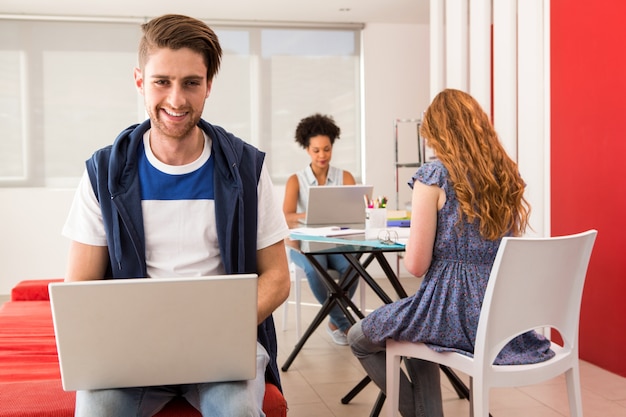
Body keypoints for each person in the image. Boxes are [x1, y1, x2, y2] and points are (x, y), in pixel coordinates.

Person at [61, 14, 290, 417]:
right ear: (139, 81)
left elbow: (277, 278)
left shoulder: (247, 168)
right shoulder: (103, 173)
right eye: (161, 82)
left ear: (208, 86)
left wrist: (215, 326)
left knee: (236, 410)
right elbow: (80, 287)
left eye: (191, 83)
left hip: (223, 345)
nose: (176, 100)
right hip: (131, 351)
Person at [347, 89, 555, 417]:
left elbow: (416, 265)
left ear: (440, 134)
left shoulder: (435, 176)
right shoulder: (505, 176)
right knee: (415, 342)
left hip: (449, 309)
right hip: (499, 315)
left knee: (358, 336)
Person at [282, 113, 358, 345]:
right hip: (305, 245)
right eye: (316, 150)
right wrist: (311, 216)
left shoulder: (345, 177)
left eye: (326, 149)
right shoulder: (296, 180)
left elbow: (355, 215)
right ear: (307, 149)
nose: (322, 155)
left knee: (353, 267)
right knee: (316, 270)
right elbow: (286, 217)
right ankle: (347, 325)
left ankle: (336, 322)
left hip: (337, 243)